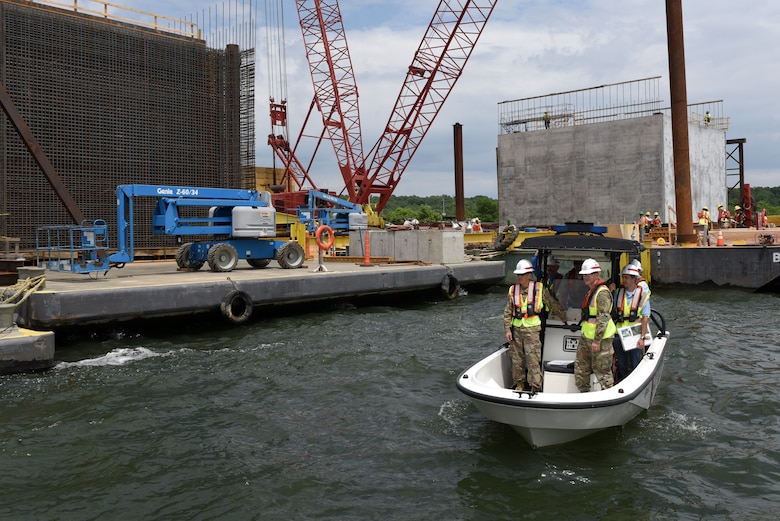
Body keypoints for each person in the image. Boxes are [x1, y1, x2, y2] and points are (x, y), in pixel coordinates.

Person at [503, 259, 567, 393]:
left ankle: (535, 386)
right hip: (516, 331)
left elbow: (551, 303)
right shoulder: (513, 290)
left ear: (529, 275)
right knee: (517, 360)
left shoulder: (539, 288)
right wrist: (507, 330)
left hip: (532, 330)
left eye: (522, 275)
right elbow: (508, 312)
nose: (519, 277)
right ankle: (519, 384)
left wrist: (564, 318)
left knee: (533, 359)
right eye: (518, 275)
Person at [574, 258, 616, 392]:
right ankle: (584, 395)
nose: (585, 277)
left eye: (589, 274)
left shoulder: (602, 292)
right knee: (581, 369)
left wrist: (597, 341)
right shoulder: (591, 290)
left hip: (600, 339)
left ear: (597, 274)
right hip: (586, 336)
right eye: (584, 274)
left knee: (602, 371)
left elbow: (603, 318)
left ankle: (609, 396)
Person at [612, 263, 651, 382]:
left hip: (634, 335)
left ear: (634, 279)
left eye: (627, 278)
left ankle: (636, 383)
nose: (624, 280)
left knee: (635, 363)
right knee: (622, 364)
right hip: (618, 334)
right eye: (623, 277)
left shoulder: (642, 295)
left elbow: (645, 317)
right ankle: (623, 382)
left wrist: (642, 337)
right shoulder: (617, 293)